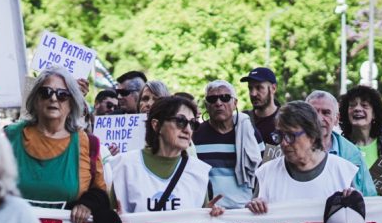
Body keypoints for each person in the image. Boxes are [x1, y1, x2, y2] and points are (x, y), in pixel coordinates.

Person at [5, 67, 108, 223]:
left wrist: (87, 204)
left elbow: (100, 193)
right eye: (46, 92)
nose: (53, 99)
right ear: (35, 99)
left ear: (72, 103)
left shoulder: (86, 143)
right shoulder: (9, 137)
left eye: (62, 95)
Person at [248, 101, 359, 213]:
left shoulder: (343, 172)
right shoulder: (266, 173)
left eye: (290, 135)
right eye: (280, 135)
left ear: (312, 135)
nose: (284, 143)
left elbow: (360, 219)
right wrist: (253, 207)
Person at [112, 96, 212, 213]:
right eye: (180, 121)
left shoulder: (198, 171)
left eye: (192, 124)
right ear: (156, 125)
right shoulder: (126, 166)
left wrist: (210, 215)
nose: (188, 130)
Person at [192, 80, 262, 209]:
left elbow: (263, 170)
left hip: (246, 210)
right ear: (206, 105)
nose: (219, 103)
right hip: (210, 211)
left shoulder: (249, 132)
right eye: (212, 99)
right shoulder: (195, 135)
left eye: (225, 98)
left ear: (235, 103)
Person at [305, 90, 377, 197]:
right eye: (314, 112)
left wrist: (356, 198)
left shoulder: (353, 154)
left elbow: (370, 197)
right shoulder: (289, 148)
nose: (319, 118)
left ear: (336, 119)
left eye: (326, 113)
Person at [338, 85, 382, 170]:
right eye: (352, 105)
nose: (357, 109)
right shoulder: (338, 146)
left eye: (364, 105)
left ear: (374, 114)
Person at [241, 66, 280, 147]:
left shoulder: (286, 119)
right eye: (250, 88)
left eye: (259, 88)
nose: (253, 94)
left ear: (273, 88)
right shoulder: (243, 120)